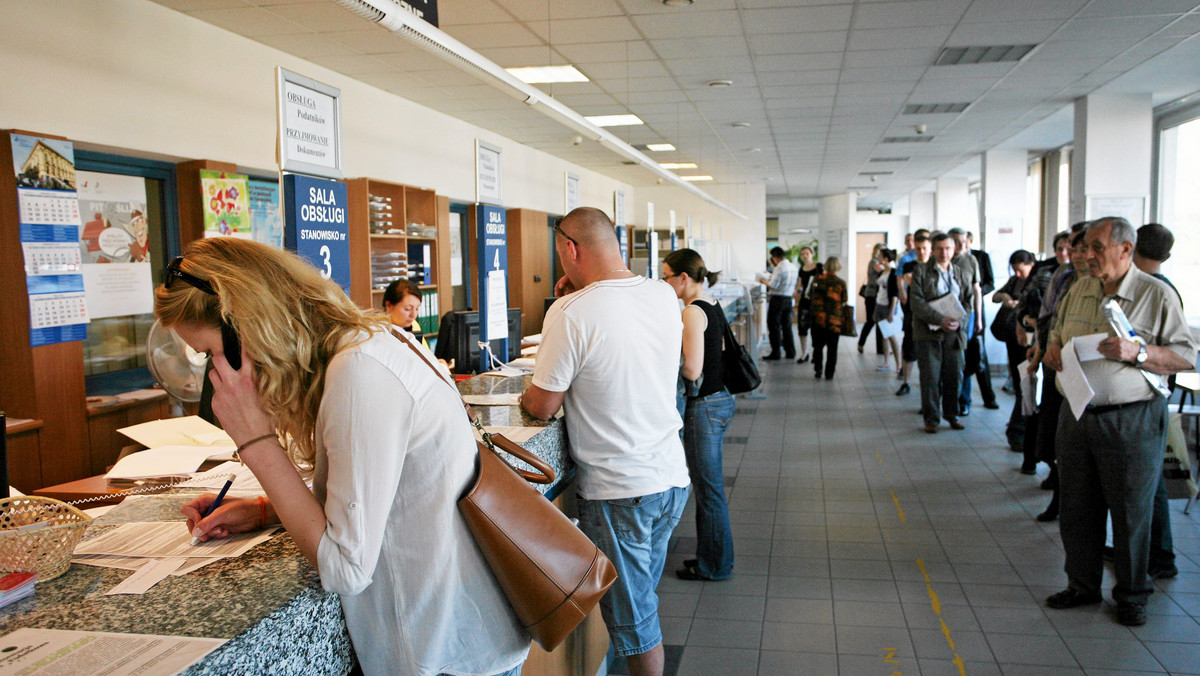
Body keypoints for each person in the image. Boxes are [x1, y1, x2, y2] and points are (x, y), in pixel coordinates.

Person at [157, 238, 529, 676]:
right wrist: (266, 510)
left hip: (439, 654)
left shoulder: (360, 373)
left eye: (209, 354)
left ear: (247, 327)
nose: (214, 373)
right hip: (452, 636)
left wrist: (256, 441)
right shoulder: (368, 344)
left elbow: (345, 568)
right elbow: (381, 493)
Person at [520, 207, 690, 676]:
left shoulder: (570, 312)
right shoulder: (661, 295)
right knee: (641, 605)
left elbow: (542, 405)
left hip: (621, 492)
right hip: (670, 479)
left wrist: (569, 305)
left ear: (570, 250)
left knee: (637, 627)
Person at [1042, 217, 1196, 627]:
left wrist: (1138, 352)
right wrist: (1053, 347)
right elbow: (1058, 330)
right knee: (1077, 505)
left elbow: (1186, 355)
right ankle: (1081, 584)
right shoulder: (1080, 288)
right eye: (1085, 248)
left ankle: (1132, 593)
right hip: (1076, 412)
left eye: (1096, 247)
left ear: (1126, 250)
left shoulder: (1156, 294)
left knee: (1130, 510)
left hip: (1131, 420)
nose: (1087, 256)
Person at [663, 248, 735, 582]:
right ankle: (713, 558)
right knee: (710, 489)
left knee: (709, 491)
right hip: (720, 400)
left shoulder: (691, 312)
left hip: (704, 408)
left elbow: (693, 370)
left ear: (683, 277)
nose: (666, 283)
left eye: (667, 276)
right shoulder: (712, 303)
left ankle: (715, 566)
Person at [1030, 225, 1090, 522]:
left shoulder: (1100, 283)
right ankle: (1057, 485)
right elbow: (1049, 317)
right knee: (1053, 429)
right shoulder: (1065, 277)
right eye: (1072, 249)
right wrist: (1043, 348)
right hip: (1058, 365)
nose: (1075, 255)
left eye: (1080, 249)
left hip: (1090, 377)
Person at [1132, 222, 1181, 580]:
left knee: (1151, 481)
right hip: (1154, 394)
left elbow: (1179, 353)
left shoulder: (1157, 292)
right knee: (1151, 479)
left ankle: (1160, 554)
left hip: (1149, 396)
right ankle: (1157, 551)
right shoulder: (1166, 287)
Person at [910, 232, 980, 433]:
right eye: (939, 249)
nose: (944, 253)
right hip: (929, 332)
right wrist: (940, 320)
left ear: (954, 249)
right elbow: (917, 302)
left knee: (954, 375)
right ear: (933, 250)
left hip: (955, 333)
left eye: (948, 248)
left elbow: (968, 301)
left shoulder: (959, 272)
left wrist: (961, 320)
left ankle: (952, 414)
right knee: (931, 376)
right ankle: (931, 418)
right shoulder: (921, 271)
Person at [991, 250, 1037, 452]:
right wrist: (1006, 298)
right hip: (1013, 336)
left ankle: (1018, 429)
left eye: (1021, 270)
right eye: (1015, 270)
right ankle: (1017, 430)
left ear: (1032, 264)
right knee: (1021, 384)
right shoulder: (1014, 281)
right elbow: (995, 295)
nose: (1018, 274)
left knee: (1026, 384)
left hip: (1032, 339)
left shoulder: (1040, 280)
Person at [949, 228, 993, 416]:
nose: (960, 245)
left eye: (962, 241)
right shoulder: (943, 260)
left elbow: (977, 290)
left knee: (965, 357)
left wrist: (979, 318)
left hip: (968, 314)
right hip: (946, 314)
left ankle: (964, 400)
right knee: (949, 358)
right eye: (955, 241)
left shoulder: (971, 260)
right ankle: (946, 399)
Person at [896, 231, 931, 396]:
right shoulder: (909, 265)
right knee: (909, 344)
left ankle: (928, 386)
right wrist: (903, 290)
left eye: (924, 248)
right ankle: (906, 382)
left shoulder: (934, 266)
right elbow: (901, 281)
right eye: (918, 248)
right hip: (912, 310)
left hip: (930, 312)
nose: (921, 251)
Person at [809, 256, 848, 380]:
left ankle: (818, 369)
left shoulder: (816, 279)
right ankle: (829, 373)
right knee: (832, 348)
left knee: (818, 346)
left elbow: (810, 295)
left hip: (818, 318)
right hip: (834, 320)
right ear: (838, 267)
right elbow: (844, 300)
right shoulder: (841, 282)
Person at [757, 246, 798, 361]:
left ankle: (776, 352)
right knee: (787, 327)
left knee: (774, 326)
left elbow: (773, 285)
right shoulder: (793, 267)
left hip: (778, 300)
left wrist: (763, 280)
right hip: (788, 300)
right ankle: (791, 352)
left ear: (774, 258)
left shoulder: (779, 268)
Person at [792, 246, 822, 364]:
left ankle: (816, 352)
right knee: (802, 326)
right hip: (805, 301)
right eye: (803, 254)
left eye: (807, 253)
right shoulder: (802, 269)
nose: (805, 255)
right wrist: (796, 293)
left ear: (812, 254)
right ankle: (804, 353)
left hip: (816, 301)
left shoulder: (818, 267)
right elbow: (799, 284)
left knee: (816, 328)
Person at [874, 248, 902, 372]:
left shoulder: (893, 272)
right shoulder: (883, 272)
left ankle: (899, 364)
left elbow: (895, 294)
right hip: (879, 303)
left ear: (885, 259)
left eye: (880, 256)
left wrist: (892, 311)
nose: (878, 258)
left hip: (887, 306)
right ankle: (886, 362)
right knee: (883, 336)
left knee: (891, 335)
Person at [857, 243, 884, 359]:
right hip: (872, 295)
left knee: (880, 322)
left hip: (878, 295)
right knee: (871, 321)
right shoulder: (874, 262)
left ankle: (881, 348)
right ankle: (861, 343)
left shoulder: (878, 262)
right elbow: (883, 270)